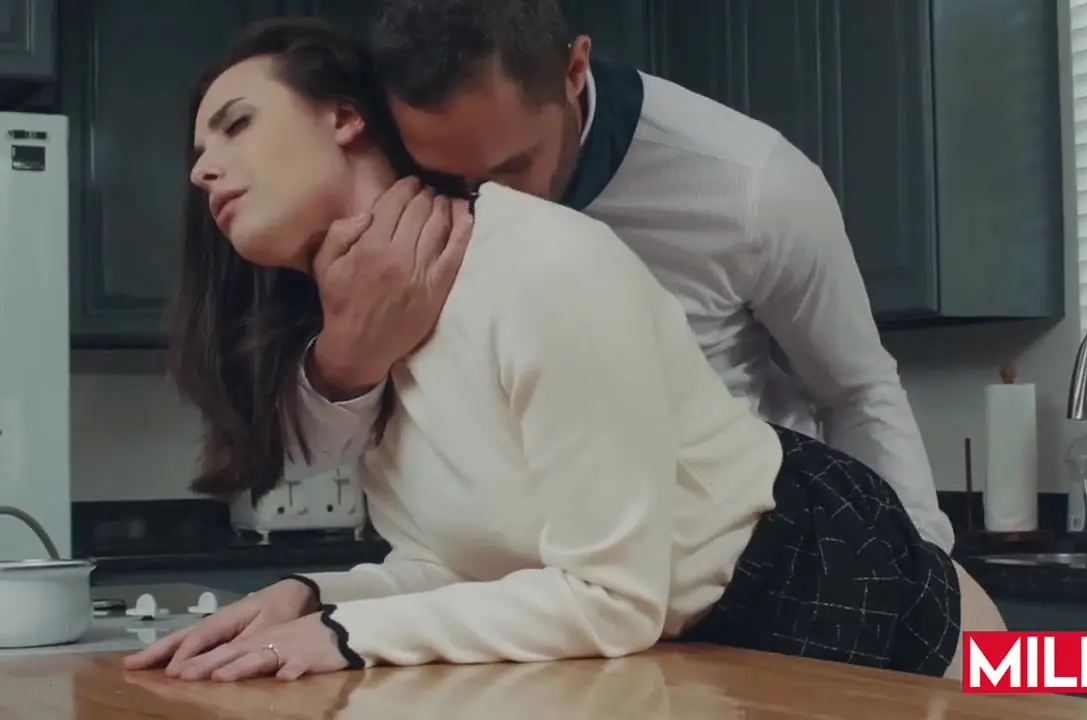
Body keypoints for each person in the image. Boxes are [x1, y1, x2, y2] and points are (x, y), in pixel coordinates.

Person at [123, 18, 1004, 682]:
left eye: (235, 125)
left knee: (1067, 683)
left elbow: (855, 389)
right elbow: (468, 567)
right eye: (197, 148)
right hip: (681, 634)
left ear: (346, 118)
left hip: (833, 578)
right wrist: (317, 598)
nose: (200, 169)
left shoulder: (640, 223)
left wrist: (345, 634)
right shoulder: (368, 330)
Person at [292, 0, 956, 555]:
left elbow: (856, 390)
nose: (482, 203)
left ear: (574, 70)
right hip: (495, 591)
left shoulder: (753, 187)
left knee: (1009, 660)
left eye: (507, 171)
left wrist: (928, 573)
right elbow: (327, 442)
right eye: (448, 177)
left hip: (726, 578)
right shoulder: (387, 193)